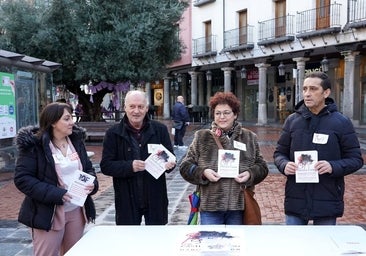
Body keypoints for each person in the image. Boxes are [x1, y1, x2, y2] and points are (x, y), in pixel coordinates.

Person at [273, 71, 363, 225]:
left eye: (313, 89)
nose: (307, 94)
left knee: (325, 247)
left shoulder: (341, 122)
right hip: (296, 198)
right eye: (305, 89)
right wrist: (284, 164)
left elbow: (356, 159)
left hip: (327, 198)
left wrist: (332, 166)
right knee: (295, 245)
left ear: (326, 93)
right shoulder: (292, 121)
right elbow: (279, 153)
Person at [14, 102, 99, 255]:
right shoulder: (35, 146)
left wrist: (92, 183)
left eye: (71, 117)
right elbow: (22, 179)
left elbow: (88, 169)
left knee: (73, 253)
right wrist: (56, 194)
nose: (72, 122)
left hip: (76, 211)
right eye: (66, 119)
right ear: (53, 122)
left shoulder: (76, 141)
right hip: (47, 213)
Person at [180, 92, 269, 225]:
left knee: (237, 244)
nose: (222, 117)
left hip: (239, 206)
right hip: (211, 206)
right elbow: (185, 166)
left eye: (226, 113)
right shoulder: (202, 137)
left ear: (235, 114)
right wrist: (203, 173)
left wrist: (250, 174)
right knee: (211, 243)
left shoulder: (249, 137)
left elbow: (262, 166)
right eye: (218, 113)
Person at [100, 90, 176, 225]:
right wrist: (130, 166)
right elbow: (106, 166)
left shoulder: (160, 129)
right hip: (126, 198)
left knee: (156, 239)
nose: (136, 111)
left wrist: (170, 165)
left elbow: (171, 159)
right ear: (125, 108)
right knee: (129, 241)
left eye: (140, 107)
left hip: (155, 197)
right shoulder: (113, 133)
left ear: (146, 108)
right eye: (132, 106)